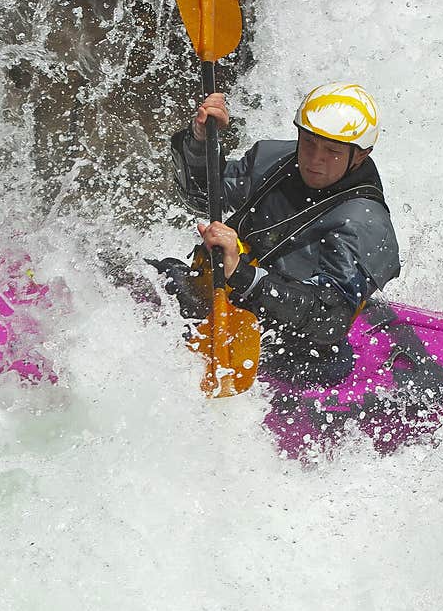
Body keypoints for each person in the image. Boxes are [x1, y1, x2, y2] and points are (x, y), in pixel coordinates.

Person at [153, 81, 401, 385]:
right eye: (309, 142)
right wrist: (201, 141)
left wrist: (241, 273)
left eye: (333, 151)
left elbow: (328, 322)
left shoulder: (364, 225)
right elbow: (202, 196)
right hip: (225, 301)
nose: (315, 159)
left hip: (295, 349)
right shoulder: (276, 161)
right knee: (135, 274)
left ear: (360, 156)